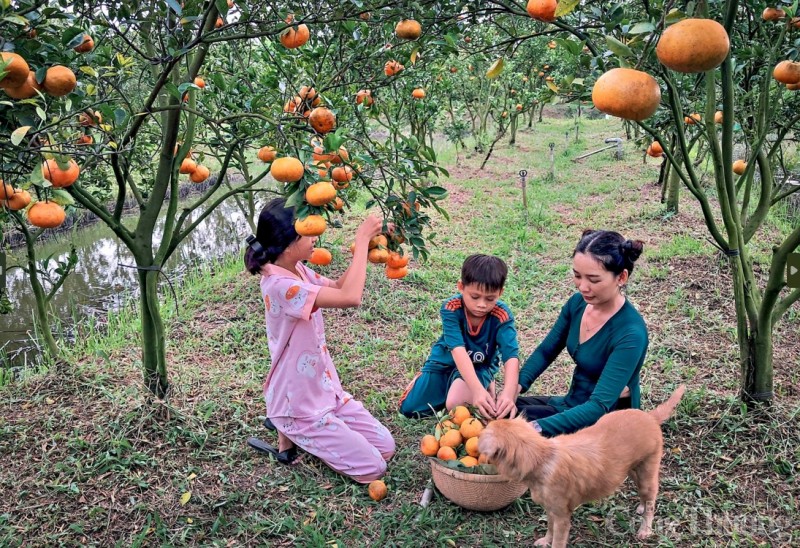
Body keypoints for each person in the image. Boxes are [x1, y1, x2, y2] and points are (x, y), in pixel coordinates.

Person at [244, 198, 395, 483]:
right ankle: (290, 426)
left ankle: (295, 431)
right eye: (308, 231)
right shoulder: (281, 286)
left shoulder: (297, 269)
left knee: (386, 447)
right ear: (289, 242)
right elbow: (350, 298)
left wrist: (368, 245)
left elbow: (339, 287)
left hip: (324, 390)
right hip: (299, 401)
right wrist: (361, 240)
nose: (316, 236)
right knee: (373, 469)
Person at [515, 229, 648, 437]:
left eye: (593, 280)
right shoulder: (577, 304)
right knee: (498, 412)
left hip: (604, 426)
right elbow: (546, 351)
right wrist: (514, 387)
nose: (583, 287)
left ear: (621, 277)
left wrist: (534, 428)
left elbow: (598, 406)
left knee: (511, 432)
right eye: (577, 276)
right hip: (572, 404)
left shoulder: (630, 333)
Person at [399, 254, 520, 419]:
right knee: (410, 410)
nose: (482, 304)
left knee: (455, 404)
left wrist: (508, 393)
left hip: (479, 366)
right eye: (475, 297)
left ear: (500, 292)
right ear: (461, 287)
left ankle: (482, 380)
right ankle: (455, 384)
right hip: (444, 364)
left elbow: (511, 356)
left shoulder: (502, 315)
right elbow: (457, 350)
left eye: (490, 298)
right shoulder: (451, 308)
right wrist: (477, 391)